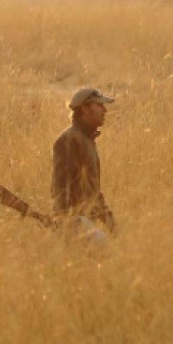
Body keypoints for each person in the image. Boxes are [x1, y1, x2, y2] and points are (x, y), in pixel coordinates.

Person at [51, 87, 116, 242]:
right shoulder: (70, 140)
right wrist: (68, 222)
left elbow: (91, 188)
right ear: (85, 108)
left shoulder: (86, 140)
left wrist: (107, 216)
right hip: (75, 221)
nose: (104, 110)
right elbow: (60, 187)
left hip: (84, 221)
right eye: (99, 105)